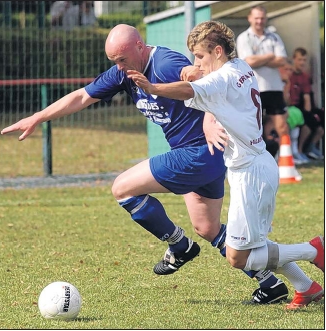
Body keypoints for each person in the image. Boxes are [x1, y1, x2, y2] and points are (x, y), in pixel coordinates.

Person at [1, 23, 287, 304]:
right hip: (206, 158)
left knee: (122, 188)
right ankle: (270, 283)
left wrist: (210, 120)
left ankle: (179, 244)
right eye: (114, 61)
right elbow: (81, 96)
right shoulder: (122, 72)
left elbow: (203, 81)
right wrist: (38, 117)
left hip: (197, 153)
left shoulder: (165, 62)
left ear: (140, 46)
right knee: (208, 228)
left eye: (123, 59)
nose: (120, 66)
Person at [126, 20, 324, 310]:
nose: (197, 63)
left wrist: (153, 86)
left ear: (218, 51)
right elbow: (215, 98)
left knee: (238, 257)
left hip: (252, 174)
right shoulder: (241, 67)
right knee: (256, 246)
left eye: (201, 56)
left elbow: (188, 90)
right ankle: (306, 288)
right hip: (253, 168)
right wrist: (208, 115)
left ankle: (314, 249)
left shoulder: (220, 80)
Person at [236, 6, 292, 160]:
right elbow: (249, 61)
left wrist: (259, 59)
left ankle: (286, 160)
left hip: (274, 88)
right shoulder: (244, 37)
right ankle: (256, 160)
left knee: (281, 125)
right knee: (255, 127)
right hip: (253, 89)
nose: (259, 21)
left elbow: (282, 60)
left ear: (266, 18)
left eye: (262, 18)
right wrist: (269, 56)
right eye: (256, 18)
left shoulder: (274, 37)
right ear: (250, 18)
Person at [289, 47, 324, 160]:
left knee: (319, 119)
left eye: (304, 60)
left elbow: (307, 96)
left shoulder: (304, 76)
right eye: (300, 59)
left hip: (302, 106)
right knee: (308, 120)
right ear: (294, 59)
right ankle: (299, 150)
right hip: (291, 106)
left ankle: (311, 147)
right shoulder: (289, 74)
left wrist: (309, 113)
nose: (302, 62)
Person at [278, 59, 308, 164]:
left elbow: (287, 101)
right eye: (286, 69)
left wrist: (287, 86)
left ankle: (294, 152)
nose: (288, 72)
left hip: (282, 108)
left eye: (290, 70)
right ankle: (283, 154)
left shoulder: (288, 82)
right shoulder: (275, 82)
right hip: (272, 111)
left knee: (296, 113)